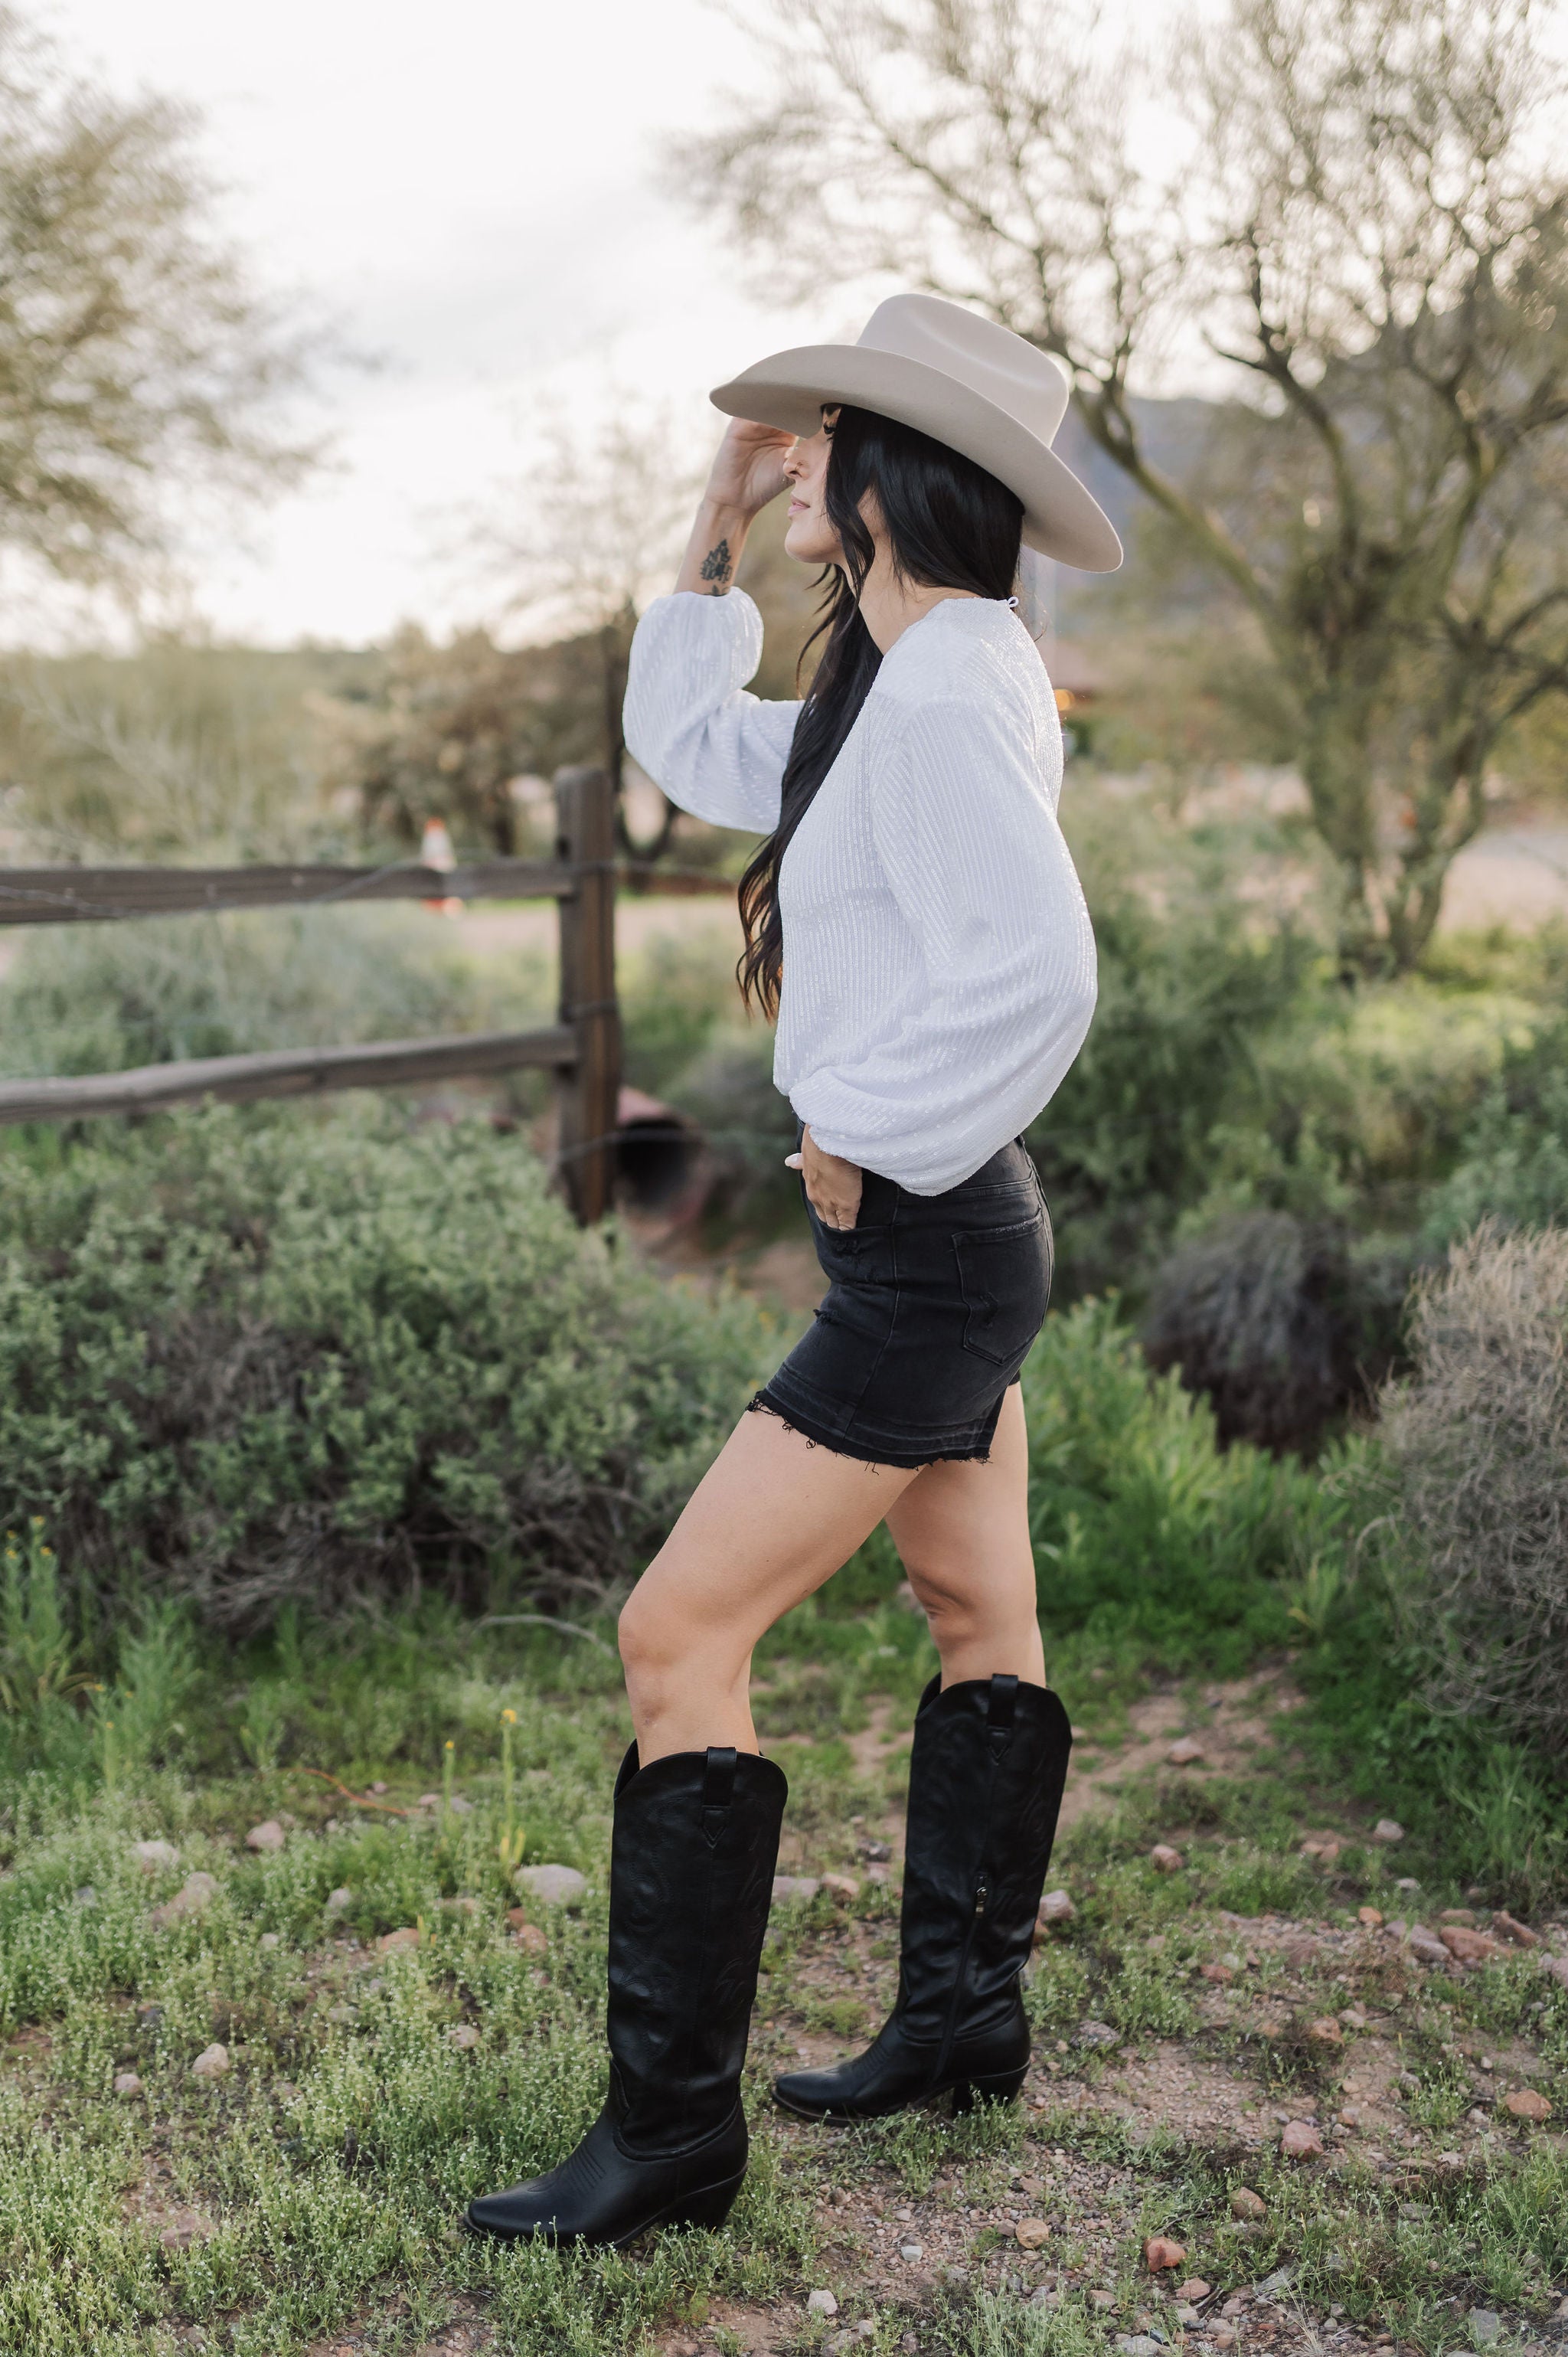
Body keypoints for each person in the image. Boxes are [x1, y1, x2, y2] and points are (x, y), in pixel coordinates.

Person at [466, 293, 1122, 2251]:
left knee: (675, 1640)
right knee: (971, 1609)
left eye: (825, 432)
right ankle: (961, 2023)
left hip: (923, 1250)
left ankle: (670, 2140)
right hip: (962, 1242)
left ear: (892, 474)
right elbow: (688, 749)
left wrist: (866, 1134)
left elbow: (1043, 975)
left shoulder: (938, 692)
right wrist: (714, 517)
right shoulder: (930, 668)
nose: (797, 449)